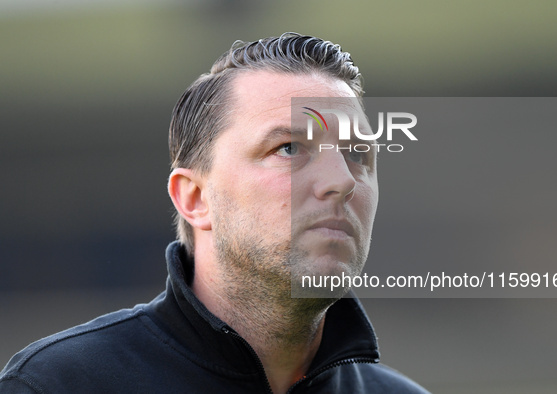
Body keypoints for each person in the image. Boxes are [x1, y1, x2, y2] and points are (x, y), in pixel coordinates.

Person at [0, 33, 429, 393]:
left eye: (358, 155)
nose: (343, 180)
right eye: (289, 148)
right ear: (194, 198)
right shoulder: (55, 385)